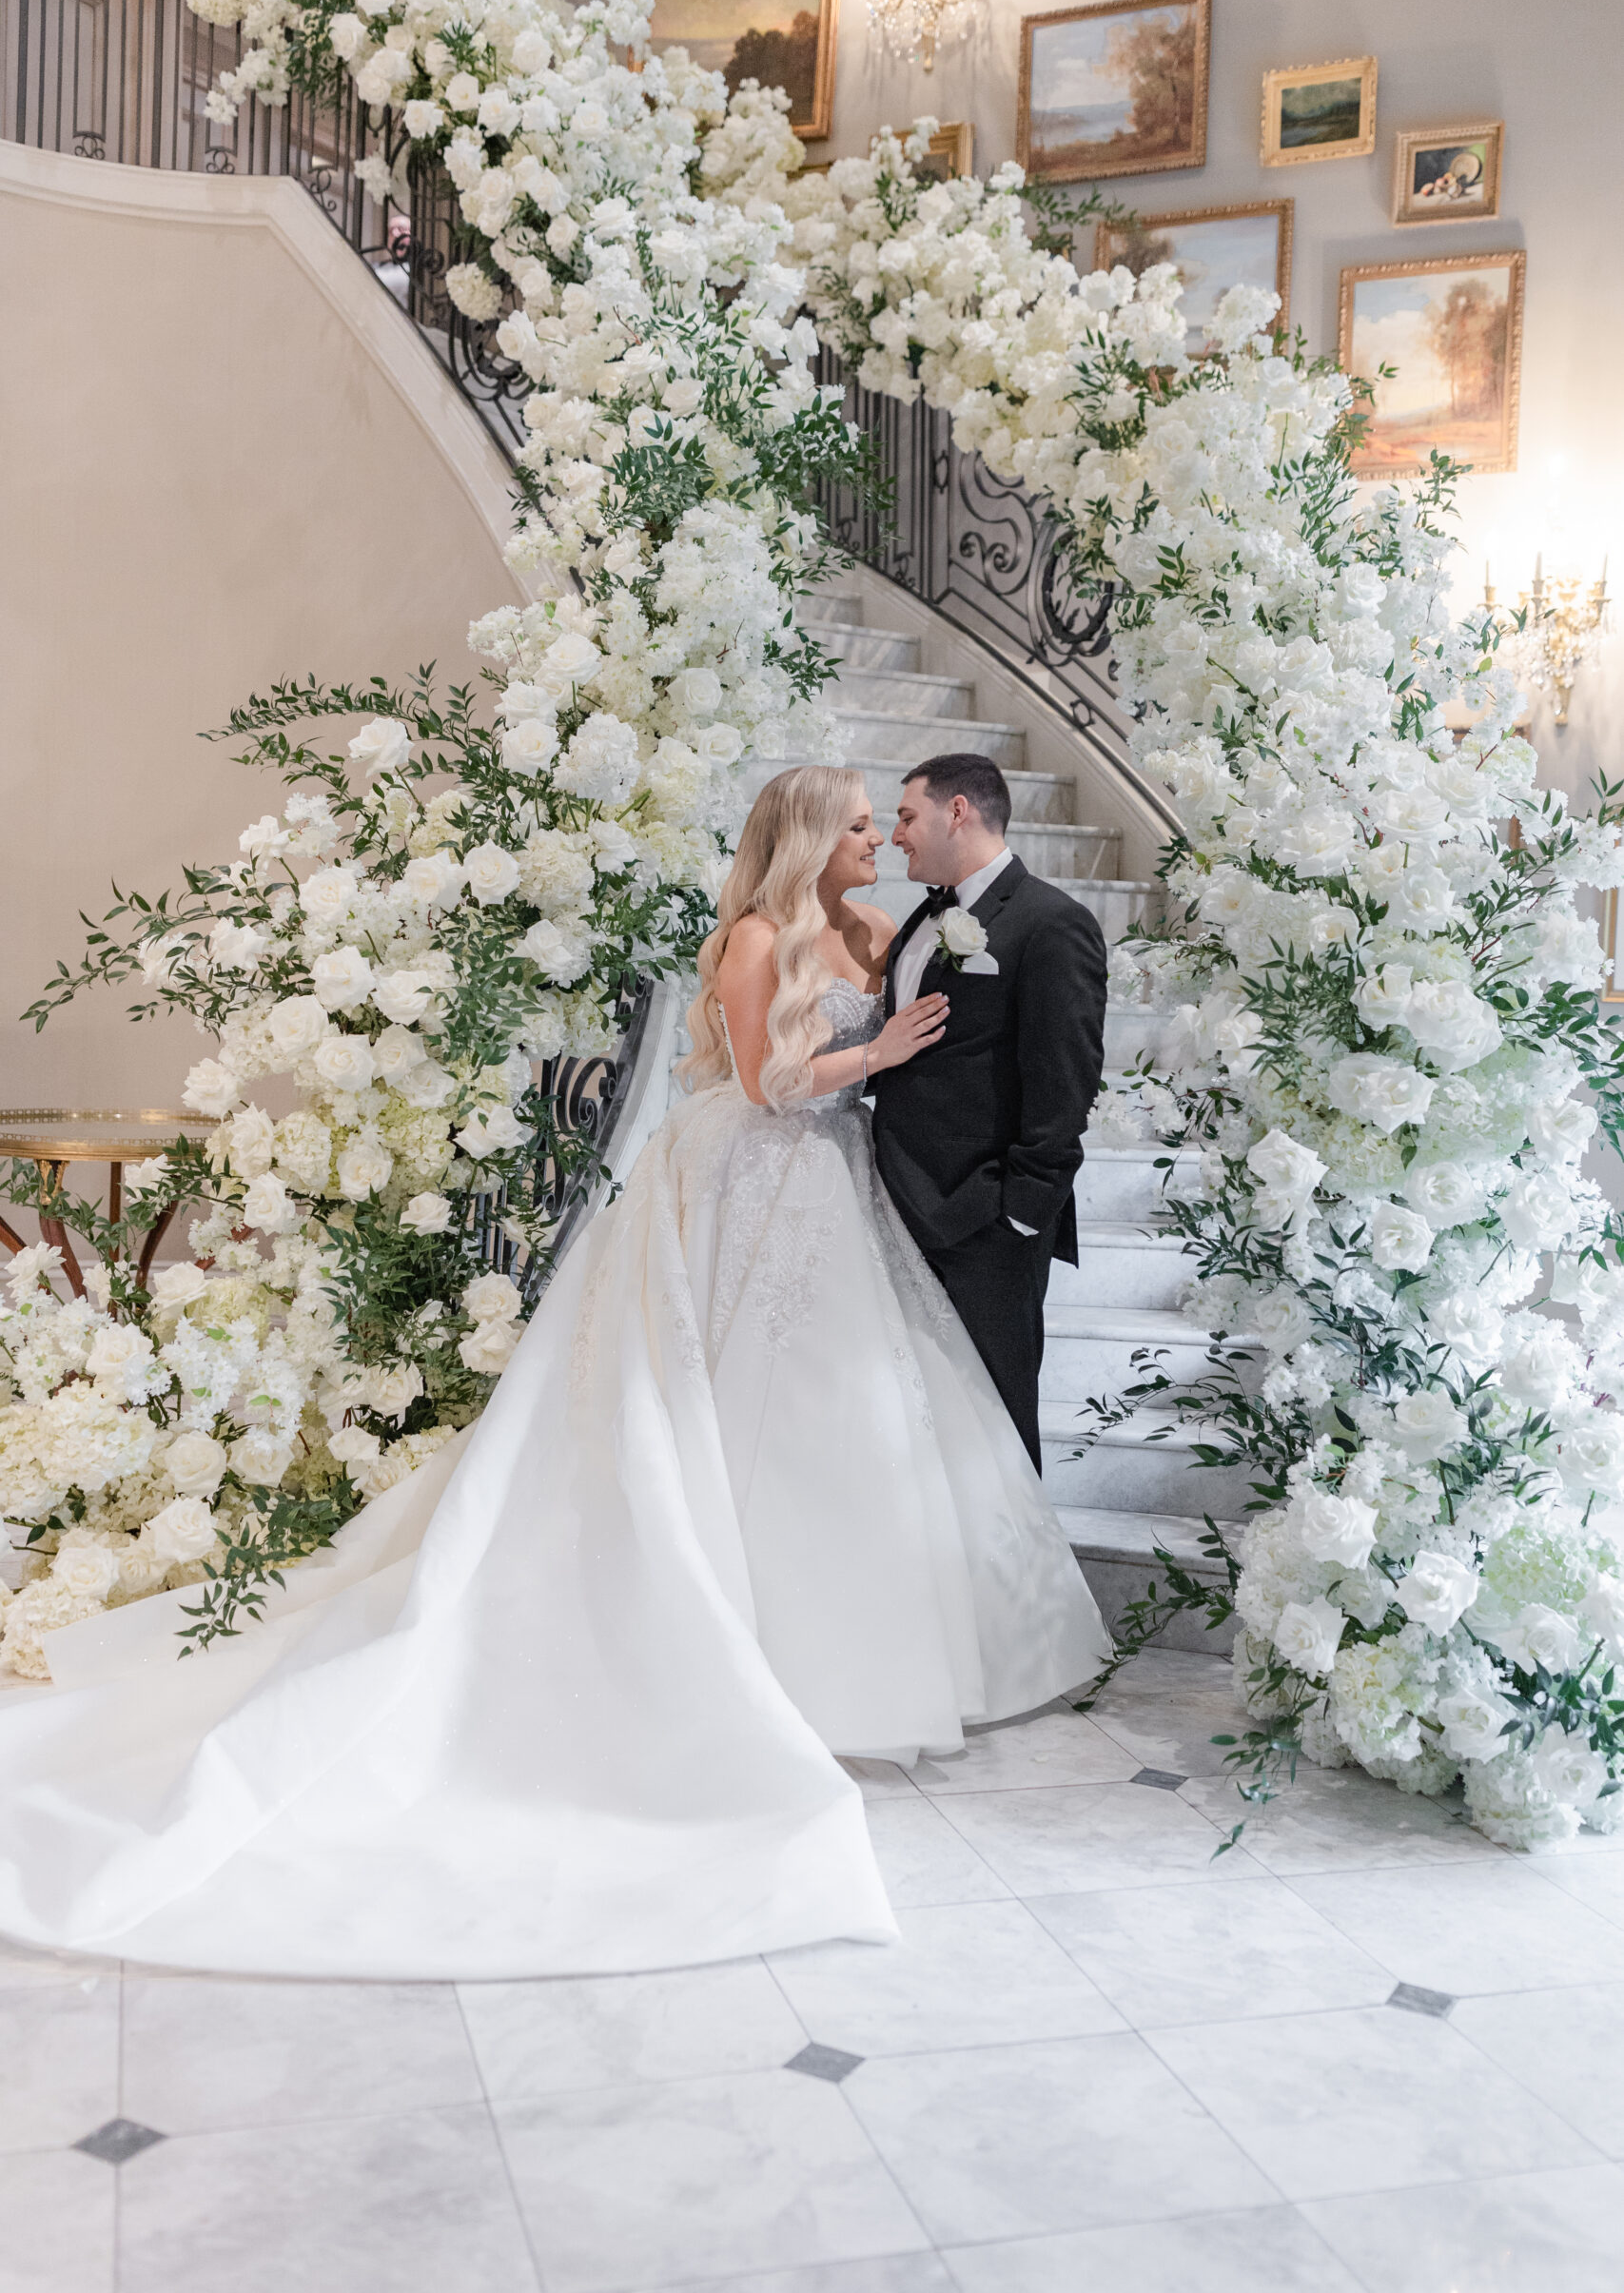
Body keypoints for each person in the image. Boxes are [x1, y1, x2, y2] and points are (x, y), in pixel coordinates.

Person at [0, 766, 1106, 1981]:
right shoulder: (750, 936)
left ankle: (860, 1647)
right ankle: (728, 1644)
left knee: (853, 1423)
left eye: (885, 822)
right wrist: (878, 1049)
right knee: (734, 1407)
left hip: (844, 1198)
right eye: (857, 826)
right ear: (803, 838)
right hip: (752, 1178)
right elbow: (761, 1081)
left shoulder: (886, 931)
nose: (878, 841)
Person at [871, 753, 1109, 1472]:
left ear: (957, 811)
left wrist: (1017, 1212)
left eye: (907, 816)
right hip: (898, 1210)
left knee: (993, 1429)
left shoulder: (1049, 923)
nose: (894, 835)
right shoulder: (925, 916)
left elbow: (1064, 1081)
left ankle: (1017, 1587)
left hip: (983, 1222)